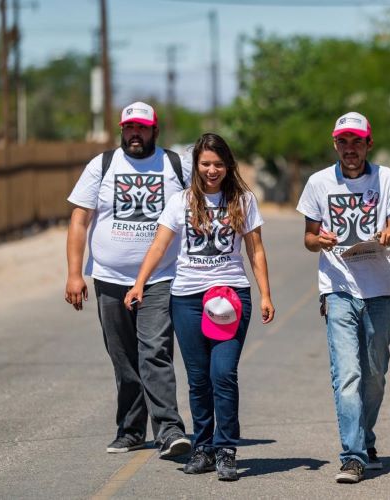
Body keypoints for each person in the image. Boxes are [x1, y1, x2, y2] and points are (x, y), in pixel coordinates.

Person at [124, 132, 274, 481]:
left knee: (223, 374)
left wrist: (265, 294)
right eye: (205, 163)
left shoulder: (244, 201)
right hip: (188, 298)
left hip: (231, 297)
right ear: (196, 165)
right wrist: (139, 283)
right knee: (198, 379)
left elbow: (256, 251)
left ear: (228, 166)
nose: (212, 170)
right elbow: (159, 247)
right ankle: (203, 447)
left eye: (218, 164)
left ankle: (226, 449)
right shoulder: (180, 201)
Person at [65, 101, 191, 458]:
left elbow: (199, 206)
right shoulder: (101, 165)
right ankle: (132, 430)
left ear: (155, 129)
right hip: (109, 277)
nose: (135, 134)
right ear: (122, 130)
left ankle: (168, 429)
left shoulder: (174, 165)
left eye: (142, 128)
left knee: (154, 351)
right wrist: (75, 273)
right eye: (129, 128)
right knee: (123, 357)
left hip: (161, 277)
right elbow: (79, 219)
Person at [296, 111, 390, 484]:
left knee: (375, 375)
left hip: (379, 289)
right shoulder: (318, 183)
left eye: (356, 142)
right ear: (335, 144)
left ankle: (365, 436)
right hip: (338, 288)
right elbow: (309, 238)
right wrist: (320, 240)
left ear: (368, 145)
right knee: (348, 374)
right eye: (343, 142)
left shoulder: (387, 178)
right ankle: (353, 455)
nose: (350, 148)